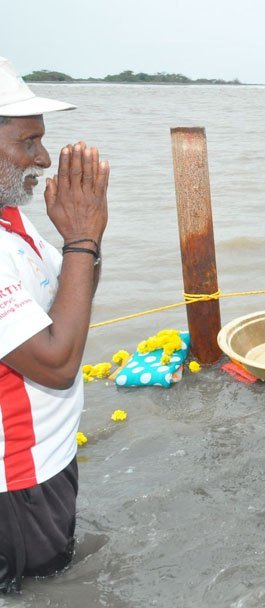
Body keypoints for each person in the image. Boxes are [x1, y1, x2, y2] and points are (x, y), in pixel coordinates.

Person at [0, 56, 109, 592]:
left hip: (47, 460)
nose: (43, 159)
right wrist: (82, 239)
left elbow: (75, 295)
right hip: (15, 480)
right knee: (41, 587)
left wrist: (85, 239)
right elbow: (56, 364)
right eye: (27, 144)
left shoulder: (12, 218)